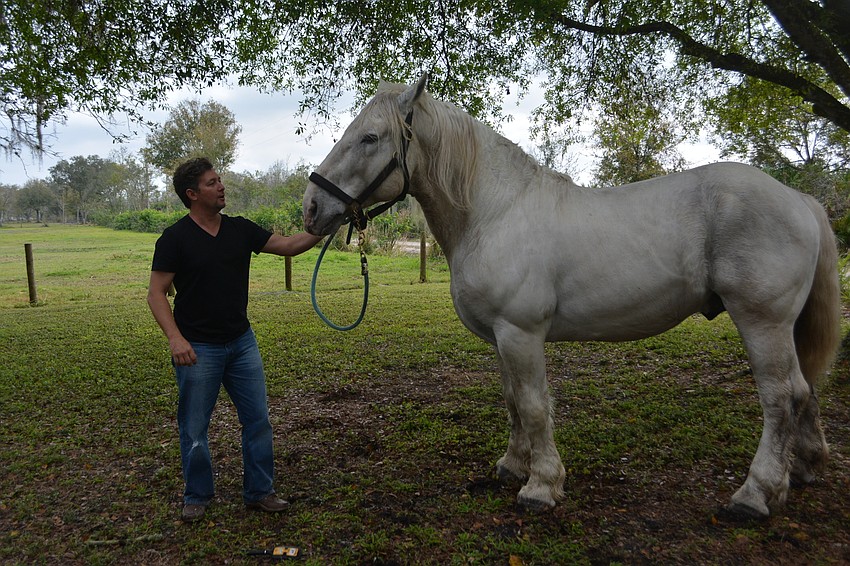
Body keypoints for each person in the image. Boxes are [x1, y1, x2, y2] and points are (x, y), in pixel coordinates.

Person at [147, 157, 323, 522]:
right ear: (192, 194)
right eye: (212, 183)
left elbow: (290, 245)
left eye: (220, 180)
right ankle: (197, 494)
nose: (221, 186)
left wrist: (327, 225)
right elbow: (156, 294)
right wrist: (175, 339)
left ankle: (260, 492)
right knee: (194, 428)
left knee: (258, 420)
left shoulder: (240, 230)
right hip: (198, 349)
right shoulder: (175, 239)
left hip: (242, 343)